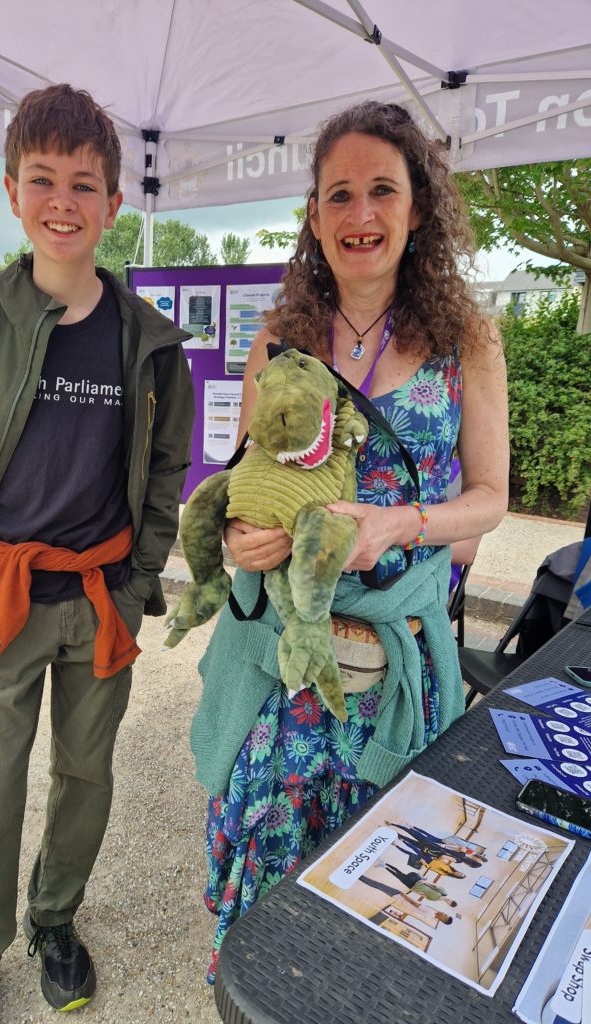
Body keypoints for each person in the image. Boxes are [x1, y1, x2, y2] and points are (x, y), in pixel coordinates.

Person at [0, 84, 194, 1024]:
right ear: (12, 191)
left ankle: (54, 919)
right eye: (43, 179)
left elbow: (167, 470)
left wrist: (141, 576)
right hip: (2, 596)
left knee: (86, 778)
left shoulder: (149, 342)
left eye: (85, 184)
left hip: (100, 597)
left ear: (114, 202)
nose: (64, 201)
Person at [190, 100, 508, 982]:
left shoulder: (468, 340)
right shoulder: (280, 340)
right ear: (315, 215)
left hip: (393, 663)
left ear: (418, 207)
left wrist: (403, 523)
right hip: (282, 664)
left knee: (382, 889)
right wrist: (242, 535)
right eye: (339, 195)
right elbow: (247, 481)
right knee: (269, 876)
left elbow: (491, 500)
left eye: (381, 190)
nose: (359, 214)